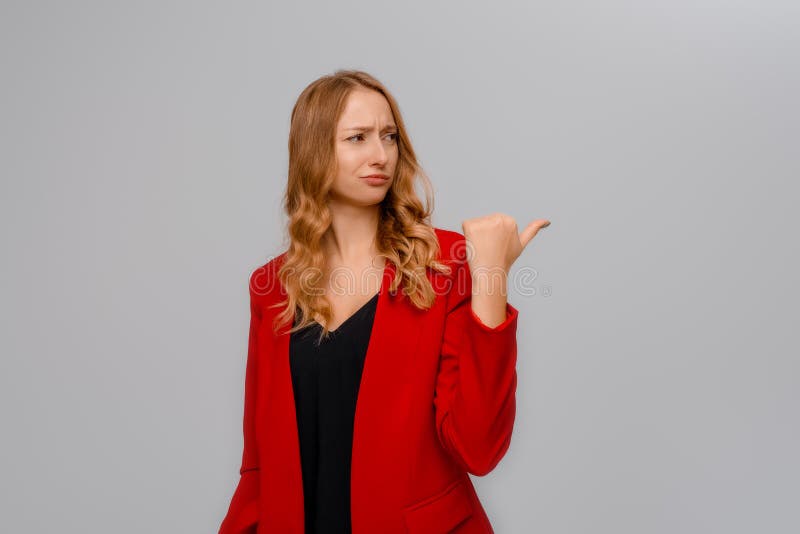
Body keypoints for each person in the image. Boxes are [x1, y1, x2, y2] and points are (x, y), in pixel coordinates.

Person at [218, 69, 550, 534]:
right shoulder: (271, 287)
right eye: (357, 138)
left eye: (389, 136)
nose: (381, 156)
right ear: (314, 152)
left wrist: (491, 276)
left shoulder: (447, 263)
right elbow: (258, 467)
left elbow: (479, 447)